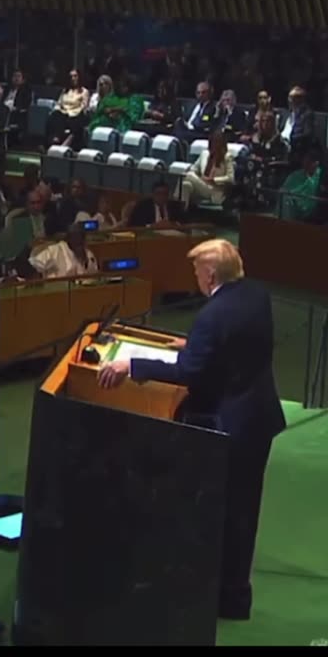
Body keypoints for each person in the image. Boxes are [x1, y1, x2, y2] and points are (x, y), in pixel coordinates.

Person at [96, 239, 284, 621]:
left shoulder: (213, 315)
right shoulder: (255, 295)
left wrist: (131, 366)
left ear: (210, 274)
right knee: (244, 510)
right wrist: (196, 345)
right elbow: (239, 344)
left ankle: (210, 594)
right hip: (259, 418)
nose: (195, 277)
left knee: (217, 509)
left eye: (197, 271)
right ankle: (234, 598)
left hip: (228, 425)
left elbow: (188, 373)